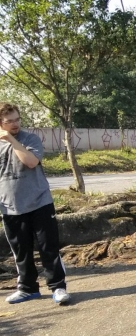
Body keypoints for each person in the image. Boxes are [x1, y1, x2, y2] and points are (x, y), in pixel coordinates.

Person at [0, 103, 69, 305]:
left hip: (40, 202)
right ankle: (28, 289)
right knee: (21, 251)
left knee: (49, 248)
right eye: (9, 121)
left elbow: (30, 162)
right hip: (10, 206)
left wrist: (11, 140)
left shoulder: (30, 139)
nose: (14, 124)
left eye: (17, 119)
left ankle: (58, 288)